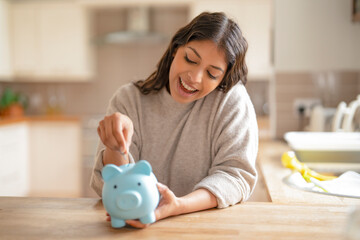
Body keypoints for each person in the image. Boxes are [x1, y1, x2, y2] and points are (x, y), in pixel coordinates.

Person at [91, 11, 258, 228]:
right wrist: (115, 149)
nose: (195, 78)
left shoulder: (230, 101)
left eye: (212, 74)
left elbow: (236, 176)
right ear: (174, 50)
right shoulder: (129, 100)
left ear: (223, 79)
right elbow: (110, 187)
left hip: (206, 229)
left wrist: (177, 205)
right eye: (190, 59)